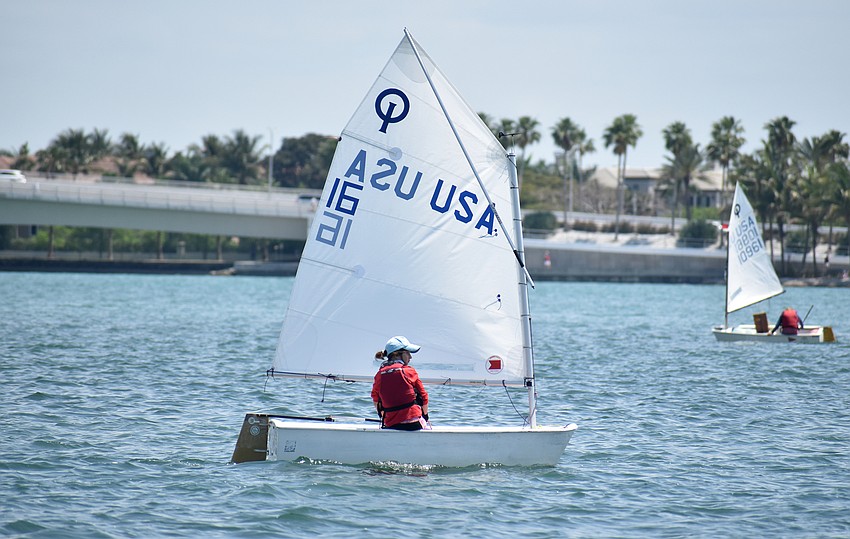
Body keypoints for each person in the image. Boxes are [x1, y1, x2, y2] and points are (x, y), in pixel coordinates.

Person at [371, 335, 429, 430]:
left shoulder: (380, 374)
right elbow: (424, 397)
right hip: (414, 424)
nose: (410, 357)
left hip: (391, 425)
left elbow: (375, 399)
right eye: (408, 353)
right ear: (396, 354)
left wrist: (385, 416)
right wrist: (425, 416)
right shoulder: (409, 371)